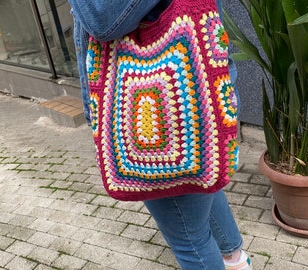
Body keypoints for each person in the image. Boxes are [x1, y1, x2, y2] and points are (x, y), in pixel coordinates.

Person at [69, 1, 252, 269]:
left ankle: (232, 259)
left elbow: (102, 21)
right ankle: (235, 259)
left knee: (189, 239)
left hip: (168, 110)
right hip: (191, 90)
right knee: (197, 181)